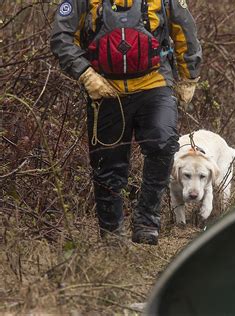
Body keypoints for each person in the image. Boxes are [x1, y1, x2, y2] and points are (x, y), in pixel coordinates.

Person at [50, 0, 202, 244]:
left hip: (154, 83)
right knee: (106, 162)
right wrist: (85, 74)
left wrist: (189, 75)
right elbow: (61, 36)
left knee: (163, 144)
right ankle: (112, 234)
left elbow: (184, 29)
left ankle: (147, 221)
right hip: (105, 88)